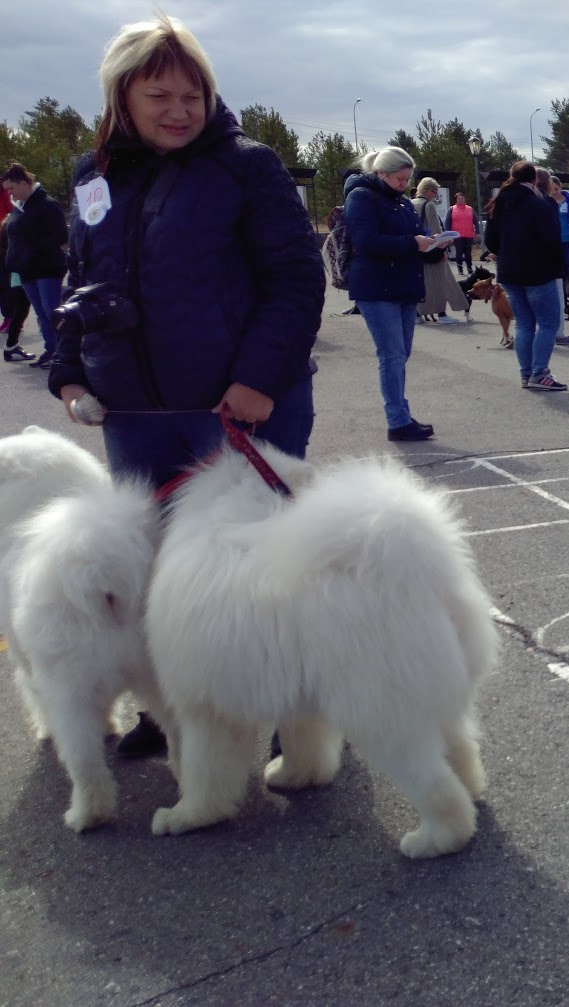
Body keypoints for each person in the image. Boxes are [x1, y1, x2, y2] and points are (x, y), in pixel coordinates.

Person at [43, 14, 324, 758]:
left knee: (255, 569)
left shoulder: (246, 167)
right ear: (121, 98)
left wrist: (259, 380)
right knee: (157, 572)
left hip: (234, 408)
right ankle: (170, 713)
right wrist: (68, 372)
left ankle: (288, 716)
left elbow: (295, 279)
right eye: (158, 94)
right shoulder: (91, 175)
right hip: (135, 413)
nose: (178, 109)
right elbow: (84, 282)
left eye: (190, 93)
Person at [344, 146, 436, 440]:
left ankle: (401, 415)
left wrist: (432, 244)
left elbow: (412, 236)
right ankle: (397, 421)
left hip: (403, 285)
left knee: (401, 353)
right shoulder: (361, 196)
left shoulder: (403, 202)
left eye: (408, 179)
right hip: (376, 287)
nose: (404, 185)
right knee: (392, 355)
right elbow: (366, 241)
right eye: (399, 178)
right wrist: (413, 243)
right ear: (380, 173)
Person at [485, 160, 568, 391]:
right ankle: (540, 372)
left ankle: (526, 373)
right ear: (534, 180)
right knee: (549, 322)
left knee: (523, 324)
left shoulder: (499, 203)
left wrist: (505, 253)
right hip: (538, 272)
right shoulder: (540, 204)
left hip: (510, 272)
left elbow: (490, 240)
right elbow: (552, 239)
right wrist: (559, 265)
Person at [1, 163, 67, 369]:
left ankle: (63, 353)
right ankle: (51, 349)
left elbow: (61, 237)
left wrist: (31, 251)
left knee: (52, 312)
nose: (9, 193)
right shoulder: (19, 209)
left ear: (23, 183)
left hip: (46, 270)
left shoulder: (47, 204)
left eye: (11, 188)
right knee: (41, 314)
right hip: (27, 272)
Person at [411, 177, 469, 324]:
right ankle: (441, 314)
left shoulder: (410, 203)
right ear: (428, 191)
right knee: (440, 282)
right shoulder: (429, 205)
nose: (435, 195)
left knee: (421, 283)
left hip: (416, 249)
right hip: (432, 249)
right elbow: (437, 230)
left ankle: (417, 314)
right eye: (435, 192)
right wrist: (444, 247)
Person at [0, 185, 35, 362]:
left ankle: (11, 343)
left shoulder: (10, 214)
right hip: (19, 264)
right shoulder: (17, 215)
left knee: (21, 304)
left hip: (13, 262)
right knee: (26, 304)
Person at [545, 173, 569, 345]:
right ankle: (564, 305)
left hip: (568, 241)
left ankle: (568, 305)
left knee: (568, 275)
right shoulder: (546, 202)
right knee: (558, 278)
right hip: (554, 242)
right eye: (551, 190)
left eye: (557, 189)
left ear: (561, 188)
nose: (554, 192)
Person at [448, 191, 477, 276]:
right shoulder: (452, 209)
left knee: (468, 253)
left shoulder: (470, 209)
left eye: (462, 198)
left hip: (468, 234)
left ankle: (469, 269)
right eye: (459, 199)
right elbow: (447, 222)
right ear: (456, 200)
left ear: (465, 199)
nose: (461, 200)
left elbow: (475, 220)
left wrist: (477, 232)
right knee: (459, 252)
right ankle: (460, 269)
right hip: (457, 235)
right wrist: (449, 234)